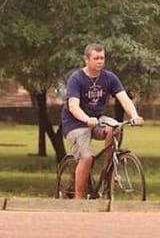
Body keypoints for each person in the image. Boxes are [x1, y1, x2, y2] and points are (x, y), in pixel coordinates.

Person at [60, 43, 144, 199]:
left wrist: (134, 115)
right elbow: (73, 106)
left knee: (115, 127)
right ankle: (79, 201)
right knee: (86, 158)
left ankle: (108, 172)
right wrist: (86, 119)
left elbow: (123, 98)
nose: (99, 61)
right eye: (96, 58)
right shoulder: (76, 79)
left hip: (97, 120)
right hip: (76, 123)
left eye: (102, 58)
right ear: (86, 59)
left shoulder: (109, 77)